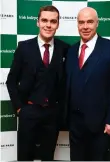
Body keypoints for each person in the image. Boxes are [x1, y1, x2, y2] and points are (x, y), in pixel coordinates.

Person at [6, 5, 70, 161]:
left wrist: (61, 111)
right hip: (29, 111)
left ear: (58, 24)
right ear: (37, 22)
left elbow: (67, 83)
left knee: (48, 157)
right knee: (25, 157)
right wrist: (20, 108)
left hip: (52, 114)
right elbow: (11, 81)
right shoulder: (24, 47)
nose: (48, 25)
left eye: (53, 21)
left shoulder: (65, 49)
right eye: (44, 20)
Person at [65, 7, 110, 161]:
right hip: (75, 124)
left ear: (97, 23)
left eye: (90, 22)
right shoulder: (71, 51)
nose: (85, 26)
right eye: (81, 22)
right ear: (77, 25)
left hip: (100, 124)